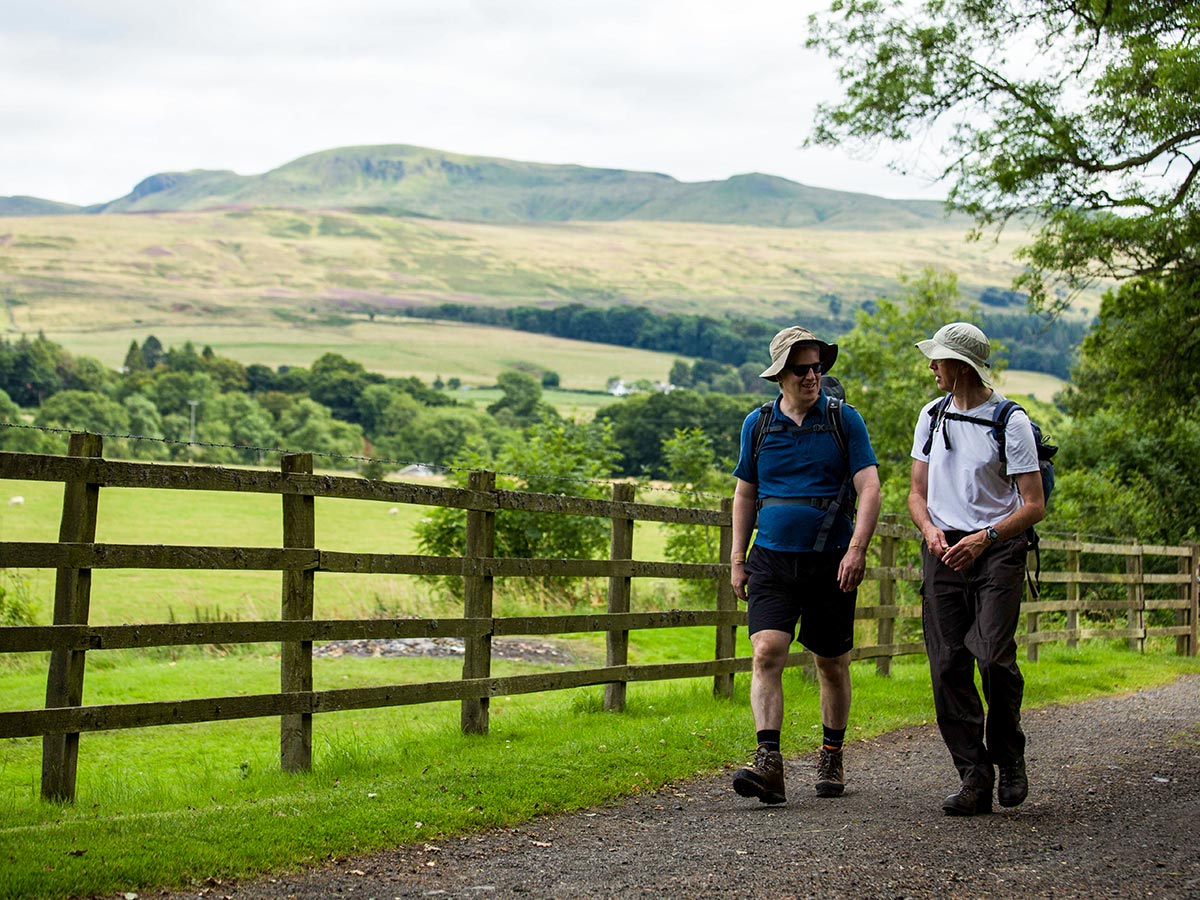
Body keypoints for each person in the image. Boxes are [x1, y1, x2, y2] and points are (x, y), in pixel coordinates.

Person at [729, 326, 881, 804]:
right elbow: (745, 493)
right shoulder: (757, 425)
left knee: (830, 662)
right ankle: (769, 762)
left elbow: (870, 488)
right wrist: (737, 557)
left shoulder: (844, 421)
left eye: (818, 367)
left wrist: (857, 549)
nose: (813, 375)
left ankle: (831, 753)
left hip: (832, 560)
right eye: (802, 369)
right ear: (781, 375)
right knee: (766, 651)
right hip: (771, 558)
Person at [908, 322, 1045, 816]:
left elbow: (1033, 505)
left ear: (961, 367)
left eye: (938, 360)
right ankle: (973, 775)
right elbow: (917, 494)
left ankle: (1009, 755)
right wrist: (931, 532)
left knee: (991, 657)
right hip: (943, 548)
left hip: (997, 548)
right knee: (947, 664)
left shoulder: (1011, 422)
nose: (931, 367)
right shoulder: (931, 414)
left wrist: (984, 539)